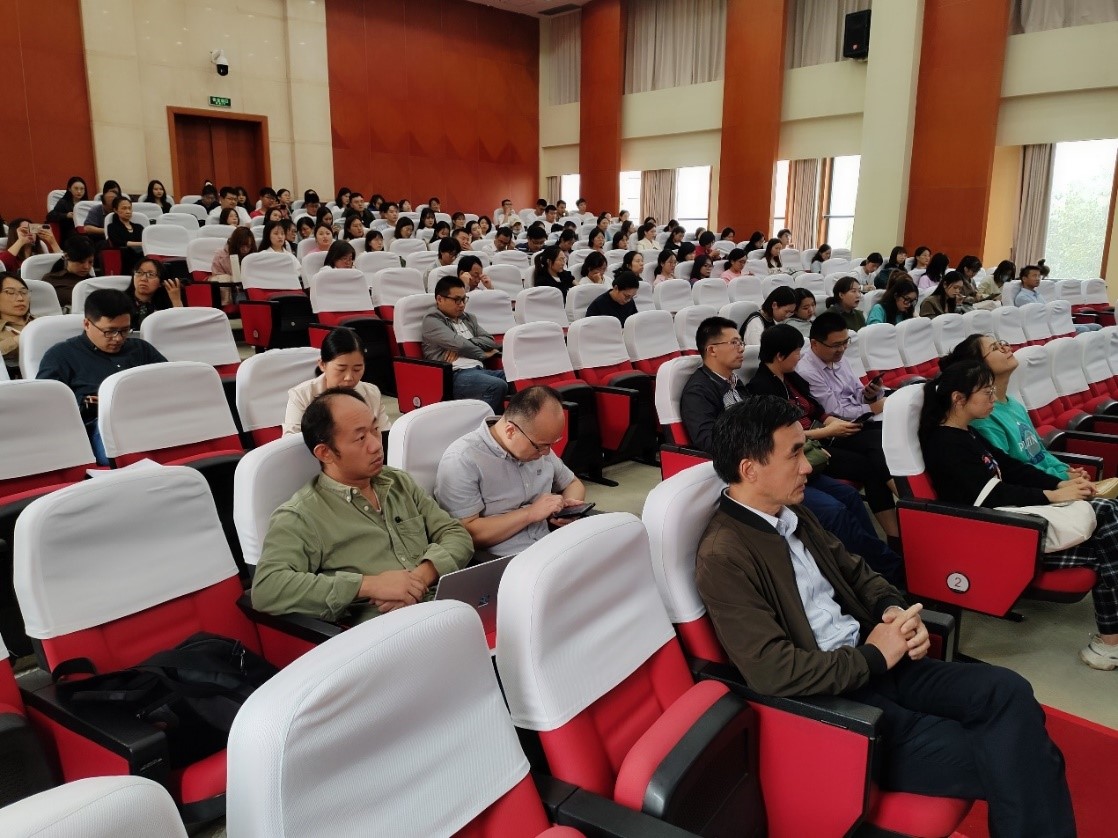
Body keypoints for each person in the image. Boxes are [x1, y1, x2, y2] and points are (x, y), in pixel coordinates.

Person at [695, 396, 1075, 837]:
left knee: (1008, 691)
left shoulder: (791, 512)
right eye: (794, 454)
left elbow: (859, 573)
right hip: (842, 701)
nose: (807, 467)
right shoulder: (724, 556)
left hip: (878, 660)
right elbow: (772, 671)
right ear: (749, 469)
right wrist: (874, 656)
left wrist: (892, 612)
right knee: (1024, 757)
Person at [920, 360, 1118, 672]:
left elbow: (1011, 467)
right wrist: (1051, 496)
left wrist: (1060, 484)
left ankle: (1111, 643)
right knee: (1107, 532)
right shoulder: (944, 444)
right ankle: (1111, 643)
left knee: (1108, 531)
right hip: (999, 533)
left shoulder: (967, 433)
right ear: (959, 398)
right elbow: (989, 495)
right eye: (986, 393)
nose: (993, 398)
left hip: (1012, 521)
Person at [684, 319, 903, 582]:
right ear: (712, 350)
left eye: (741, 342)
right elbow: (709, 441)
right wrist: (762, 440)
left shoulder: (735, 383)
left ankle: (880, 567)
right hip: (760, 473)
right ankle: (885, 575)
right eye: (734, 343)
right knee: (834, 511)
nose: (741, 348)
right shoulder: (699, 391)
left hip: (782, 460)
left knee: (849, 496)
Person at [252, 388, 472, 622]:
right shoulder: (302, 515)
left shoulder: (398, 482)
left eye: (375, 429)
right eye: (360, 438)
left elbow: (456, 534)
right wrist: (369, 585)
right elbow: (268, 588)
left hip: (446, 606)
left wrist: (418, 579)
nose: (376, 445)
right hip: (385, 627)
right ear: (325, 453)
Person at [747, 324, 903, 581]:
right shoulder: (761, 388)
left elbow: (817, 410)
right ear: (780, 356)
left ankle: (881, 554)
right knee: (853, 485)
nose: (801, 357)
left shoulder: (791, 378)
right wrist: (826, 432)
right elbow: (778, 436)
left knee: (868, 464)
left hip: (821, 439)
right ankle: (887, 558)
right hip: (807, 448)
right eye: (797, 352)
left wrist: (833, 423)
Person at [435, 386, 587, 555]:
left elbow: (573, 483)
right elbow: (466, 534)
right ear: (510, 431)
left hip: (552, 544)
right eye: (540, 446)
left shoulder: (537, 442)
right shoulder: (463, 459)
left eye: (552, 443)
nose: (546, 452)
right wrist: (530, 513)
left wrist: (564, 510)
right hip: (509, 559)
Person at [942, 334, 1095, 485]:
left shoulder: (1015, 404)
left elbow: (1040, 452)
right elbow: (1011, 472)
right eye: (995, 348)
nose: (1006, 347)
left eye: (1001, 343)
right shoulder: (983, 417)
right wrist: (1062, 478)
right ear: (979, 366)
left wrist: (1066, 471)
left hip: (1054, 482)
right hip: (1038, 490)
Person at [36, 289, 166, 465]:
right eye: (109, 331)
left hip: (151, 415)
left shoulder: (141, 348)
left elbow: (169, 382)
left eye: (125, 330)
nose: (118, 338)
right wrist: (84, 403)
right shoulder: (60, 355)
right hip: (101, 426)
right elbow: (47, 406)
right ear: (87, 324)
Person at [283, 328, 391, 436]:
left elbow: (385, 436)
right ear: (322, 365)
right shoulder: (302, 396)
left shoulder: (372, 393)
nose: (349, 377)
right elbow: (291, 441)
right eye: (341, 369)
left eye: (357, 369)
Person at [422, 275, 507, 413]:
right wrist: (482, 354)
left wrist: (467, 343)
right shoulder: (432, 320)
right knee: (497, 385)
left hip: (480, 370)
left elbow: (489, 340)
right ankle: (483, 424)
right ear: (440, 299)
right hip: (456, 375)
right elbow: (461, 345)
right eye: (456, 300)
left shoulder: (468, 318)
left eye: (463, 299)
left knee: (516, 379)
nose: (462, 304)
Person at [797, 311, 887, 421]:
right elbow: (834, 413)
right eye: (836, 345)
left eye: (845, 342)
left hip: (861, 416)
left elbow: (857, 393)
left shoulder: (840, 359)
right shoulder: (807, 372)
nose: (842, 349)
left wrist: (869, 396)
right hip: (844, 426)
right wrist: (873, 408)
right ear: (814, 344)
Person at [126, 258, 182, 328]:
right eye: (139, 272)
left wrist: (176, 300)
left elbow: (181, 326)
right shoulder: (120, 301)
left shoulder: (164, 305)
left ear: (161, 283)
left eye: (151, 274)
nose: (143, 279)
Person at [42, 235, 96, 310]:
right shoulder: (51, 280)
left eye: (90, 262)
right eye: (81, 262)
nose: (86, 267)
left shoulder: (94, 282)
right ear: (67, 256)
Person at [0, 273, 33, 376]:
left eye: (24, 292)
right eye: (10, 292)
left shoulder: (43, 322)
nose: (20, 298)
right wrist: (18, 340)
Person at [106, 197, 145, 274]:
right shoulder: (112, 227)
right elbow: (117, 242)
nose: (128, 211)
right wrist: (140, 244)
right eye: (124, 208)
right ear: (115, 210)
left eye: (129, 208)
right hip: (124, 257)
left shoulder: (139, 227)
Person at [47, 176, 87, 242]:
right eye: (76, 188)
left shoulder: (86, 204)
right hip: (70, 237)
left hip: (85, 233)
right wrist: (66, 215)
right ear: (69, 189)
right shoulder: (63, 202)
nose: (79, 191)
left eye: (82, 189)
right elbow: (50, 216)